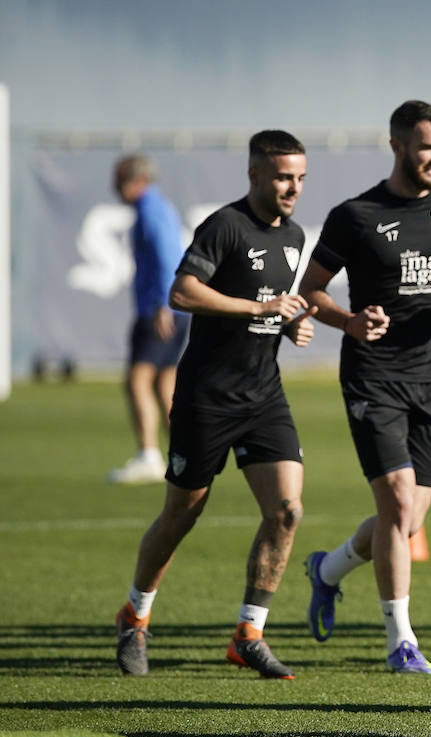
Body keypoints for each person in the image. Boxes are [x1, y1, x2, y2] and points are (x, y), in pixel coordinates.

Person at [114, 131, 314, 678]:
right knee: (182, 515)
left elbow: (268, 307)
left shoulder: (295, 235)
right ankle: (135, 615)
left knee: (287, 511)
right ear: (254, 175)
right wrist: (259, 306)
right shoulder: (224, 226)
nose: (292, 187)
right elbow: (183, 292)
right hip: (206, 397)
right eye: (281, 177)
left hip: (264, 394)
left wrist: (289, 320)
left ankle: (249, 632)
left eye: (299, 177)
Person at [299, 100, 431, 674]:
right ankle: (400, 641)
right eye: (428, 147)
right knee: (399, 504)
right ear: (398, 145)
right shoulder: (355, 215)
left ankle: (327, 570)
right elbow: (312, 290)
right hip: (373, 376)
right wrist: (349, 322)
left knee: (407, 520)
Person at [108, 155, 191, 485]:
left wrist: (161, 303)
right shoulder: (159, 206)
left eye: (119, 180)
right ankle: (182, 454)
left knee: (137, 380)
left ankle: (148, 455)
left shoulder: (149, 208)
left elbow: (167, 255)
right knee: (164, 382)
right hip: (175, 306)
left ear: (135, 180)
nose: (115, 188)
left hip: (160, 308)